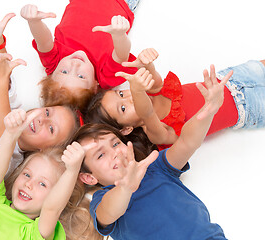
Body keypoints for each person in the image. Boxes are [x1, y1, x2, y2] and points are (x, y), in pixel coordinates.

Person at [71, 66, 233, 239]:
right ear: (89, 177)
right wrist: (126, 187)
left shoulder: (155, 168)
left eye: (116, 143)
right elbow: (108, 213)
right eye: (100, 155)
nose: (115, 153)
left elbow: (187, 142)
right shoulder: (101, 199)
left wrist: (208, 111)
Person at [0, 109, 86, 240]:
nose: (28, 184)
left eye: (42, 184)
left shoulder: (33, 234)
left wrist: (72, 171)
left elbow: (52, 208)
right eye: (27, 175)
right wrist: (11, 133)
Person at [85, 48, 265, 149]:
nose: (128, 98)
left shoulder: (154, 91)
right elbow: (146, 112)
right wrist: (137, 92)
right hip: (248, 107)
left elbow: (153, 77)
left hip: (229, 78)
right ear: (126, 129)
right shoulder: (154, 131)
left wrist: (146, 62)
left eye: (121, 94)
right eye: (122, 109)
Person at [20, 0, 141, 110]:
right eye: (81, 76)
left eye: (64, 71)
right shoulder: (103, 75)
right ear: (94, 87)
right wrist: (119, 35)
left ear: (52, 73)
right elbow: (121, 56)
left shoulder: (55, 60)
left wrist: (34, 22)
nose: (75, 65)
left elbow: (43, 41)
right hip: (121, 3)